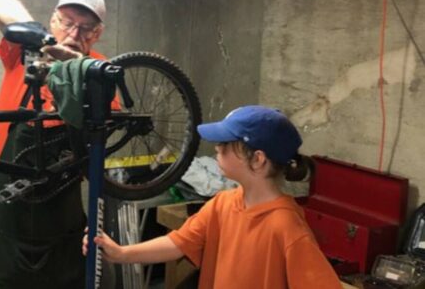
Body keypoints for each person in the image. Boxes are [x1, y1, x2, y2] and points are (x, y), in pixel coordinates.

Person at [83, 105, 343, 289]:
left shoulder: (287, 228)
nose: (217, 149)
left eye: (225, 145)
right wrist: (121, 253)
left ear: (258, 159)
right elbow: (178, 243)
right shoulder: (224, 203)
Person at [0, 0, 109, 288]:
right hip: (8, 221)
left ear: (97, 33)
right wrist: (45, 42)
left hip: (61, 226)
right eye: (67, 22)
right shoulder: (23, 55)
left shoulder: (100, 72)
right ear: (53, 20)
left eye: (86, 28)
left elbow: (100, 154)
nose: (74, 33)